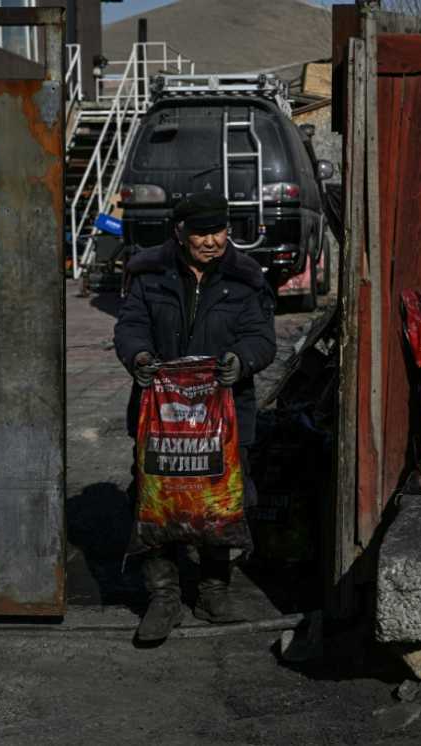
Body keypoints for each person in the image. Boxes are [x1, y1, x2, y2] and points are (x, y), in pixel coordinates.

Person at [114, 192, 276, 643]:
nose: (212, 241)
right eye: (202, 233)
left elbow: (262, 338)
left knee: (220, 501)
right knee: (156, 499)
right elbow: (130, 326)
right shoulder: (149, 274)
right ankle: (163, 597)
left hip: (223, 416)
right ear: (179, 232)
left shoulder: (245, 279)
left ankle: (212, 591)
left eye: (219, 231)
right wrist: (139, 356)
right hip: (161, 416)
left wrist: (239, 361)